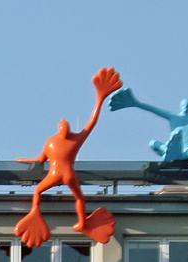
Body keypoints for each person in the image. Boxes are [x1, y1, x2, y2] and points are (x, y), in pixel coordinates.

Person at [14, 68, 122, 247]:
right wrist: (99, 99)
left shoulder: (53, 141)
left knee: (38, 192)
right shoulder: (69, 140)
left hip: (56, 174)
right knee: (78, 197)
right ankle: (81, 222)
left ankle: (39, 212)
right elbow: (91, 123)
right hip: (68, 174)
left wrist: (100, 98)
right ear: (61, 128)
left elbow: (39, 160)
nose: (64, 131)